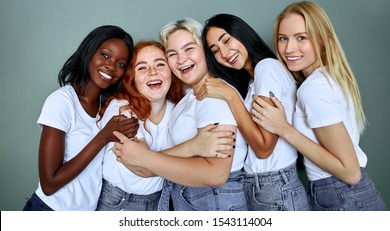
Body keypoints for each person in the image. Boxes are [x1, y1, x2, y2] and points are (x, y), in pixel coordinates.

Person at [252, 1, 387, 211]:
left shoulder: (314, 89)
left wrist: (284, 129)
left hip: (341, 196)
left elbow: (350, 172)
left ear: (322, 40)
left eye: (301, 38)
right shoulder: (328, 78)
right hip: (348, 195)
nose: (289, 48)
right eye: (283, 39)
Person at [113, 18, 248, 211]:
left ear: (205, 50)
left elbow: (216, 175)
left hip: (215, 201)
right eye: (172, 54)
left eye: (189, 48)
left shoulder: (214, 97)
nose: (181, 59)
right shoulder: (188, 97)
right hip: (190, 198)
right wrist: (193, 146)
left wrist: (145, 159)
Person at [197, 13, 310, 211]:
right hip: (259, 187)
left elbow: (264, 148)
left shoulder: (266, 68)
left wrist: (230, 97)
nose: (224, 53)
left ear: (242, 34)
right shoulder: (252, 82)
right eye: (215, 50)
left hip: (275, 187)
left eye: (226, 40)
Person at [23, 25, 139, 211]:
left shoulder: (107, 107)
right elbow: (49, 183)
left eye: (121, 64)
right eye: (105, 55)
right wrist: (103, 137)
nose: (111, 66)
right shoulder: (62, 101)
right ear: (89, 51)